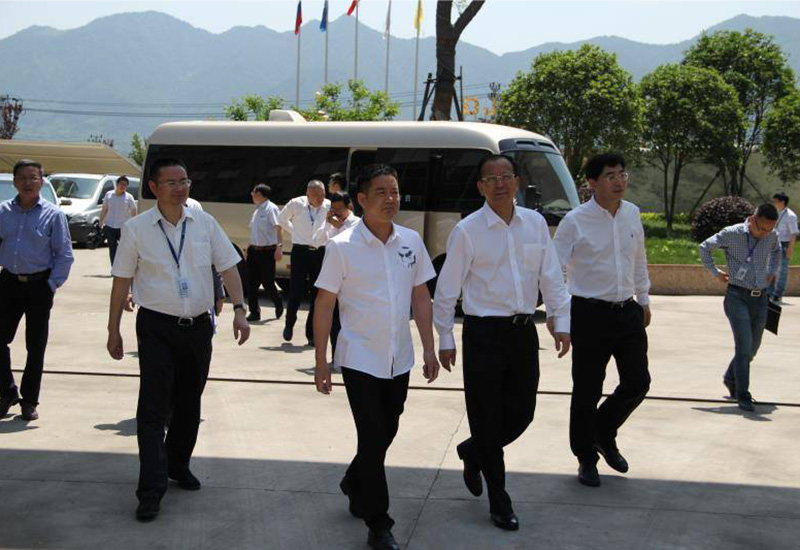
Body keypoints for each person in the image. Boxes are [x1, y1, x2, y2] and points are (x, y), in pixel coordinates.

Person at [106, 157, 250, 522]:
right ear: (154, 188)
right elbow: (121, 280)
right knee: (153, 408)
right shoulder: (136, 229)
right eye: (171, 182)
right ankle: (150, 489)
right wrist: (113, 329)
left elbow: (228, 266)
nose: (180, 188)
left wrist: (239, 308)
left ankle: (177, 464)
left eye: (184, 181)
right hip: (155, 327)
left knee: (189, 403)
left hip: (198, 327)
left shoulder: (204, 223)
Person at [433, 154, 571, 531]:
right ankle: (499, 500)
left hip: (522, 333)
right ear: (480, 186)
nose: (499, 184)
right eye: (491, 179)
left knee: (522, 413)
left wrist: (560, 319)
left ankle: (473, 449)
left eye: (506, 177)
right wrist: (445, 336)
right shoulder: (468, 231)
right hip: (483, 334)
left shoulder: (535, 224)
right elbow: (447, 289)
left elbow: (550, 274)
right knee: (486, 416)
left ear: (517, 182)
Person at [313, 165, 441, 550]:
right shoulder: (342, 246)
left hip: (399, 358)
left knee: (386, 431)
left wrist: (429, 347)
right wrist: (321, 361)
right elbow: (324, 304)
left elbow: (421, 297)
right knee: (372, 437)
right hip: (360, 357)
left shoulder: (411, 241)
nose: (390, 199)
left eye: (395, 191)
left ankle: (354, 480)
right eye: (381, 192)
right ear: (362, 199)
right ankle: (379, 522)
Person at [552, 152, 652, 488]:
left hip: (627, 311)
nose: (619, 181)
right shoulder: (575, 221)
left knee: (638, 382)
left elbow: (639, 258)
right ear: (592, 183)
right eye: (610, 176)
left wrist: (643, 298)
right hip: (588, 313)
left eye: (622, 174)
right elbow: (554, 269)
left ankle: (602, 430)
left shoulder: (632, 213)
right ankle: (586, 457)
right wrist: (558, 314)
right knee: (587, 389)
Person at [0, 159, 74, 421]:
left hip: (39, 286)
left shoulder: (53, 215)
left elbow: (64, 255)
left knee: (35, 346)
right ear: (14, 182)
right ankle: (7, 392)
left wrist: (50, 286)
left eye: (33, 177)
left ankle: (29, 401)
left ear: (42, 181)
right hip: (7, 283)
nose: (28, 183)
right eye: (22, 178)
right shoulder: (3, 211)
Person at [699, 203, 781, 412]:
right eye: (761, 228)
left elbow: (777, 250)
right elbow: (704, 247)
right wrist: (715, 272)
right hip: (737, 297)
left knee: (752, 348)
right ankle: (743, 394)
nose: (764, 233)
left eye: (769, 229)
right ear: (752, 219)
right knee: (744, 347)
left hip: (761, 299)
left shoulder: (772, 236)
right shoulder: (732, 234)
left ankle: (730, 376)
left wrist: (772, 271)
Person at [278, 180, 330, 345]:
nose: (321, 198)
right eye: (317, 195)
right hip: (300, 251)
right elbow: (281, 219)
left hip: (319, 251)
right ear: (308, 195)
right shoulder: (296, 203)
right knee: (296, 290)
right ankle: (289, 323)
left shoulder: (328, 205)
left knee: (317, 293)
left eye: (323, 194)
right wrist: (294, 231)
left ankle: (311, 333)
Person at [312, 192, 359, 357]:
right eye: (334, 208)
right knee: (333, 319)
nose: (337, 212)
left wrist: (341, 227)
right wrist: (327, 224)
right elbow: (316, 241)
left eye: (340, 208)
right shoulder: (331, 222)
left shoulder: (357, 223)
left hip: (351, 279)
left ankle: (347, 356)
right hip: (332, 277)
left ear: (349, 206)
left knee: (349, 320)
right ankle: (335, 356)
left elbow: (352, 243)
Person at [246, 183, 284, 322]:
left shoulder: (271, 208)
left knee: (268, 282)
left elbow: (279, 228)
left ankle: (278, 302)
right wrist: (248, 248)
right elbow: (254, 232)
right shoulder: (257, 210)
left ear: (259, 194)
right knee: (251, 284)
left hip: (267, 251)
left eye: (253, 192)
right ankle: (254, 312)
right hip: (254, 250)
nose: (251, 195)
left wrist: (279, 247)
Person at [99, 175, 137, 265]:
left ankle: (123, 266)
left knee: (124, 248)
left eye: (125, 185)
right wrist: (101, 221)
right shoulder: (109, 194)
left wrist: (134, 224)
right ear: (117, 184)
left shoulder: (129, 197)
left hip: (123, 227)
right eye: (121, 184)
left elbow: (133, 210)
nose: (123, 186)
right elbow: (104, 208)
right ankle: (114, 267)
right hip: (110, 226)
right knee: (112, 248)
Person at [768, 192, 798, 303]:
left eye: (776, 201)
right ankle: (769, 292)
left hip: (784, 244)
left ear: (782, 202)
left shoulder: (790, 215)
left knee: (782, 271)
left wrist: (790, 248)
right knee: (770, 268)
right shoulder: (775, 213)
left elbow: (793, 233)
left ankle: (778, 294)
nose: (774, 203)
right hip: (773, 243)